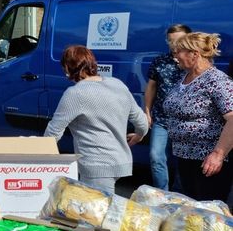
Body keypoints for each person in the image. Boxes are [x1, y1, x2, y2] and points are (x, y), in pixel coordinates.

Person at [44, 45, 148, 194]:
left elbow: (54, 132)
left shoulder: (75, 93)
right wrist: (139, 136)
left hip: (97, 165)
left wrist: (40, 158)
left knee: (97, 213)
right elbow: (142, 122)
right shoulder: (117, 84)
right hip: (121, 161)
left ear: (67, 67)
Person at [163, 32, 233, 201]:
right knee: (190, 211)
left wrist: (218, 154)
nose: (175, 57)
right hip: (184, 156)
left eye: (178, 52)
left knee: (208, 213)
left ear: (194, 54)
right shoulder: (184, 77)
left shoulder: (217, 81)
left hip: (208, 161)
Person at [144, 24, 191, 190]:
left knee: (183, 162)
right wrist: (147, 112)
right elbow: (151, 87)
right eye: (170, 41)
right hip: (162, 119)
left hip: (186, 122)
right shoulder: (160, 61)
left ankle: (179, 195)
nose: (174, 44)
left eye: (178, 40)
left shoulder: (194, 62)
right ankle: (161, 193)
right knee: (156, 156)